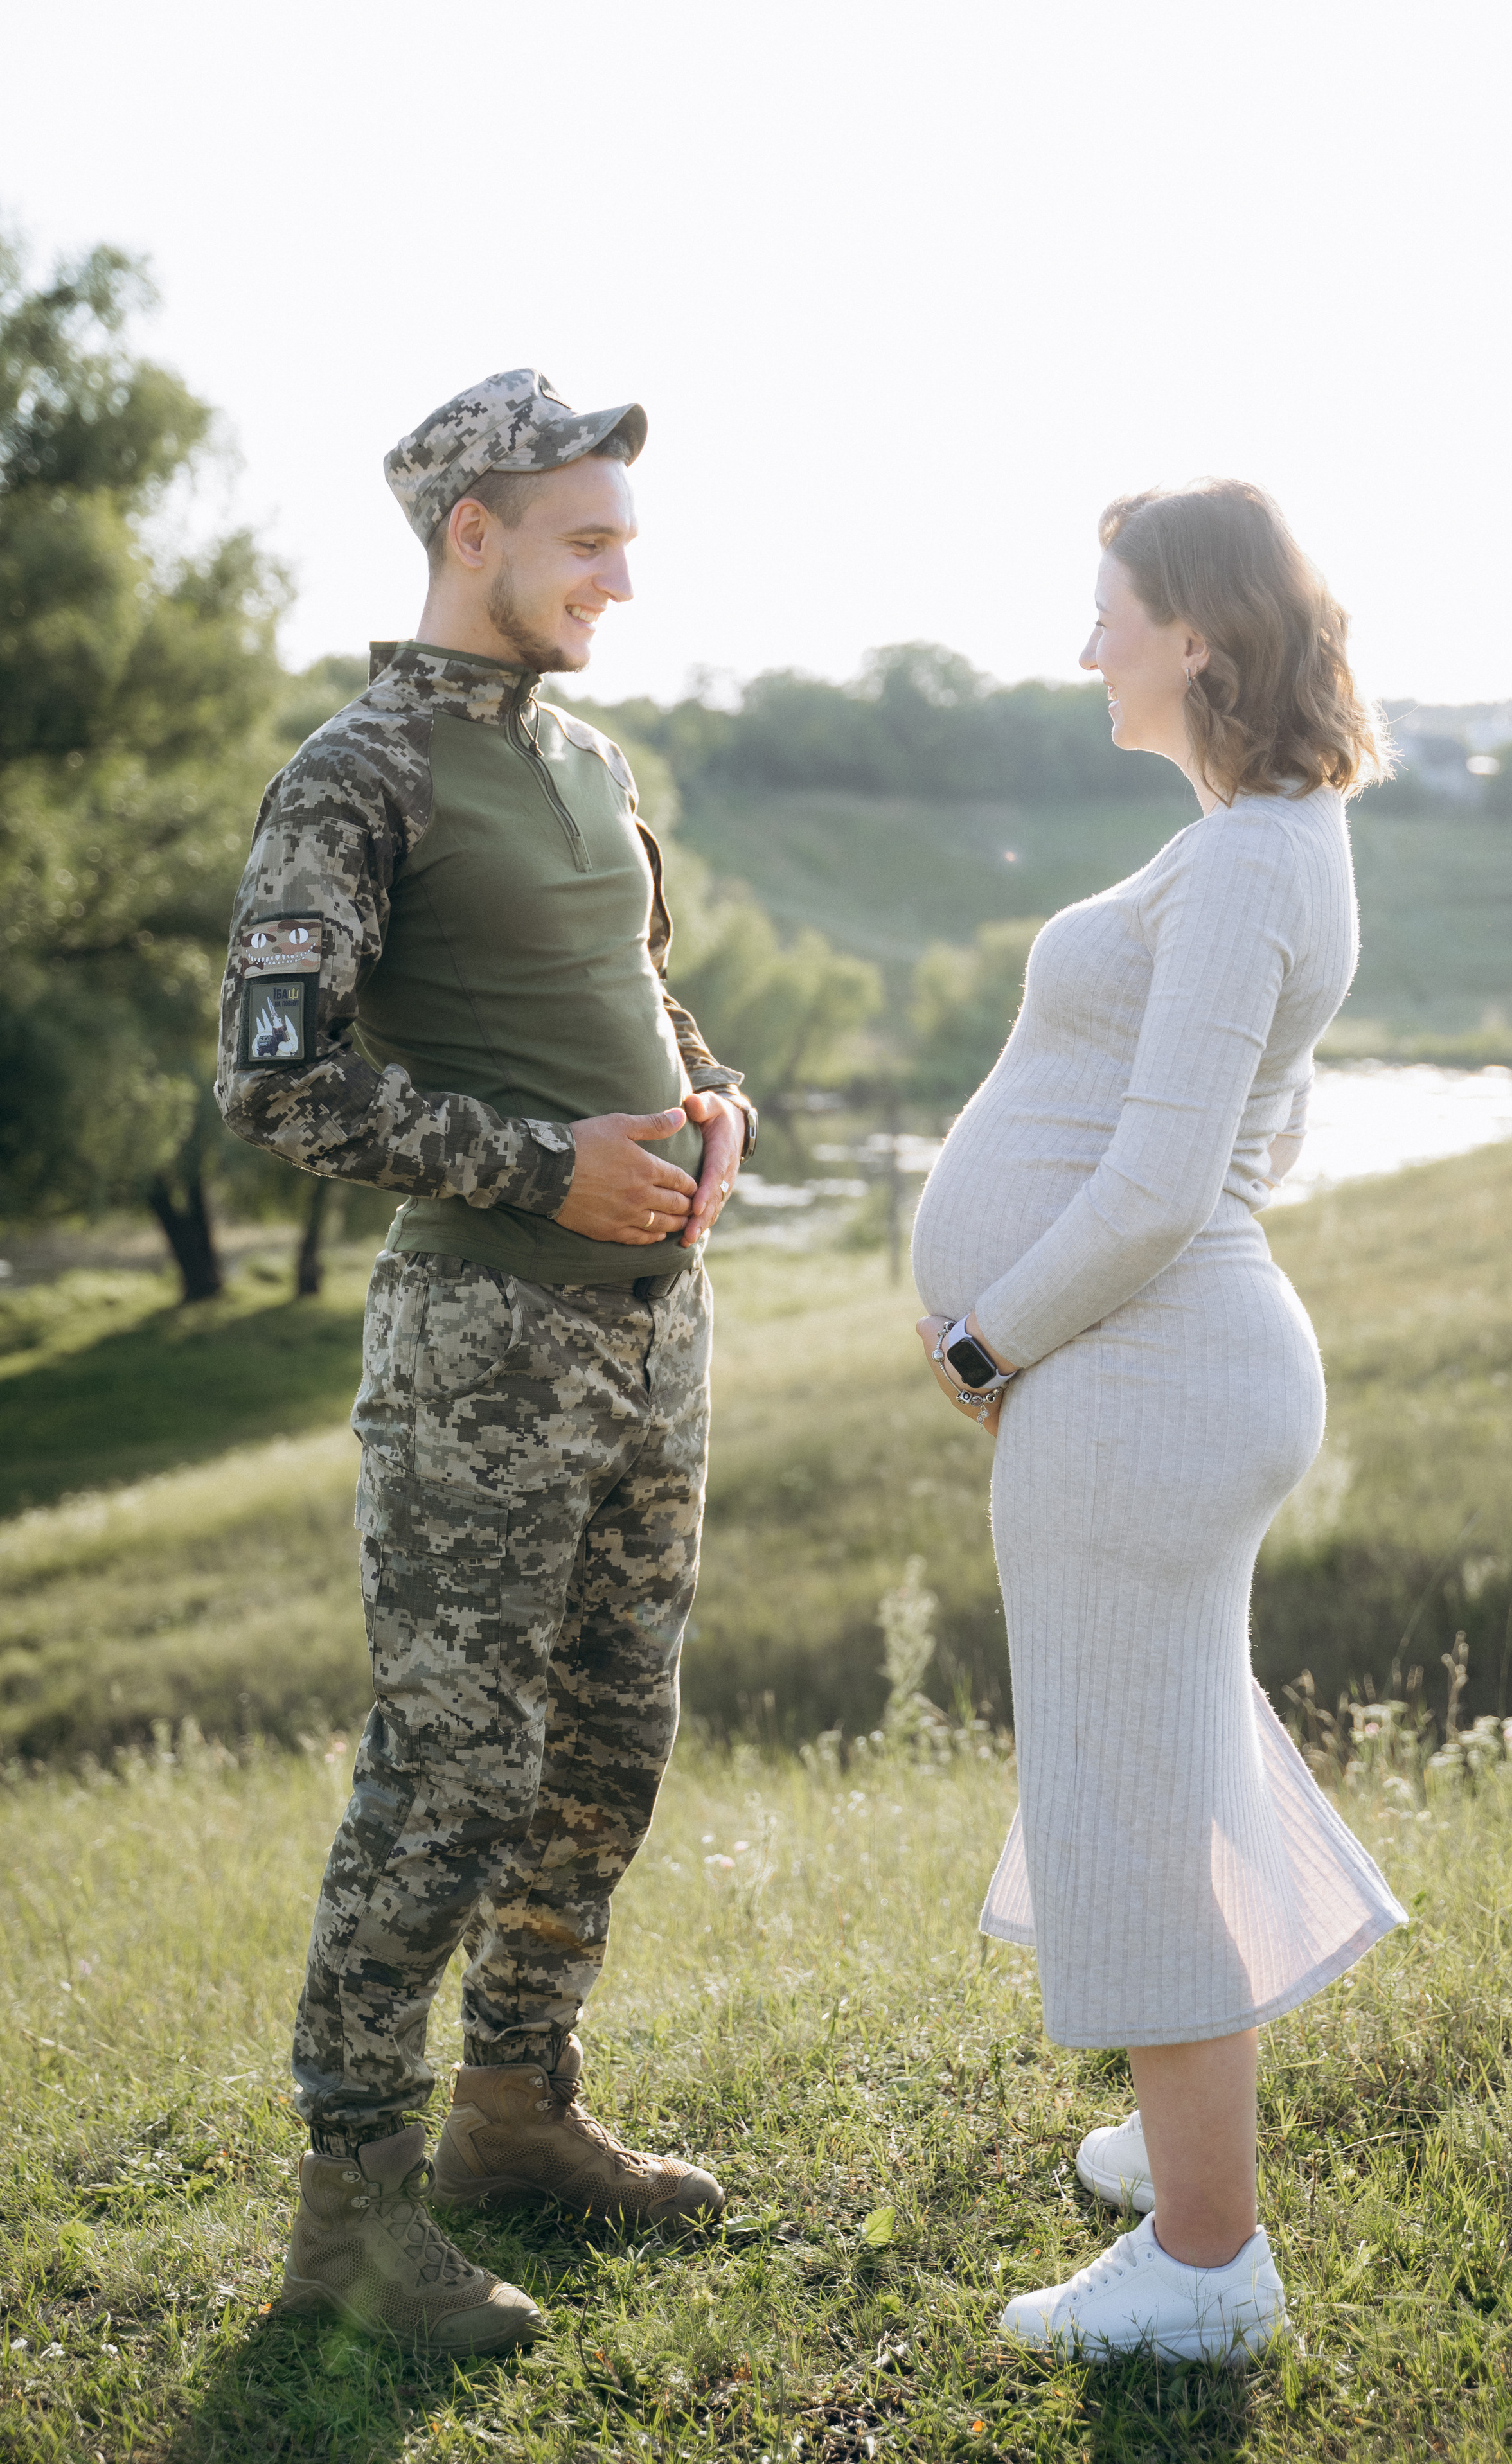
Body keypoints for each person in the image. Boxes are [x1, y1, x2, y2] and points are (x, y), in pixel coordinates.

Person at [216, 369, 757, 2353]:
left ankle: (517, 2112)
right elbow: (274, 1079)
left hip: (654, 1335)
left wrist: (709, 1101)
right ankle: (349, 2213)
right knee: (448, 1775)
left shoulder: (589, 759)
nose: (624, 570)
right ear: (474, 537)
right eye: (587, 538)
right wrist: (546, 1168)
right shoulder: (359, 773)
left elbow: (632, 989)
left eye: (624, 534)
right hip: (480, 1347)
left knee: (610, 1745)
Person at [910, 480, 1404, 2364]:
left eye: (1106, 607)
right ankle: (1180, 2136)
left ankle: (1207, 2266)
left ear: (1196, 632)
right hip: (1158, 1378)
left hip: (1147, 1374)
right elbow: (1264, 1124)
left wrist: (985, 1345)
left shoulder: (1257, 855)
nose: (1083, 642)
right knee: (1166, 1762)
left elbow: (1158, 1189)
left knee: (1132, 1786)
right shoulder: (1261, 842)